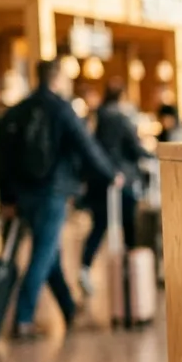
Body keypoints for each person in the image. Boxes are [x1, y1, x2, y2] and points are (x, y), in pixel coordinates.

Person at [1, 59, 118, 339]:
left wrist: (7, 195)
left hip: (24, 193)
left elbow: (2, 154)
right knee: (43, 254)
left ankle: (67, 308)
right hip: (52, 192)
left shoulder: (20, 110)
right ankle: (23, 318)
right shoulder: (62, 110)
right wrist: (111, 174)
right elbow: (86, 145)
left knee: (50, 252)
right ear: (57, 79)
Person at [79, 80, 148, 296]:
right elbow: (135, 147)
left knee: (99, 225)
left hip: (100, 181)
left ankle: (85, 267)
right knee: (129, 224)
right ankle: (130, 275)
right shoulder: (120, 118)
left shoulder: (96, 117)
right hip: (122, 181)